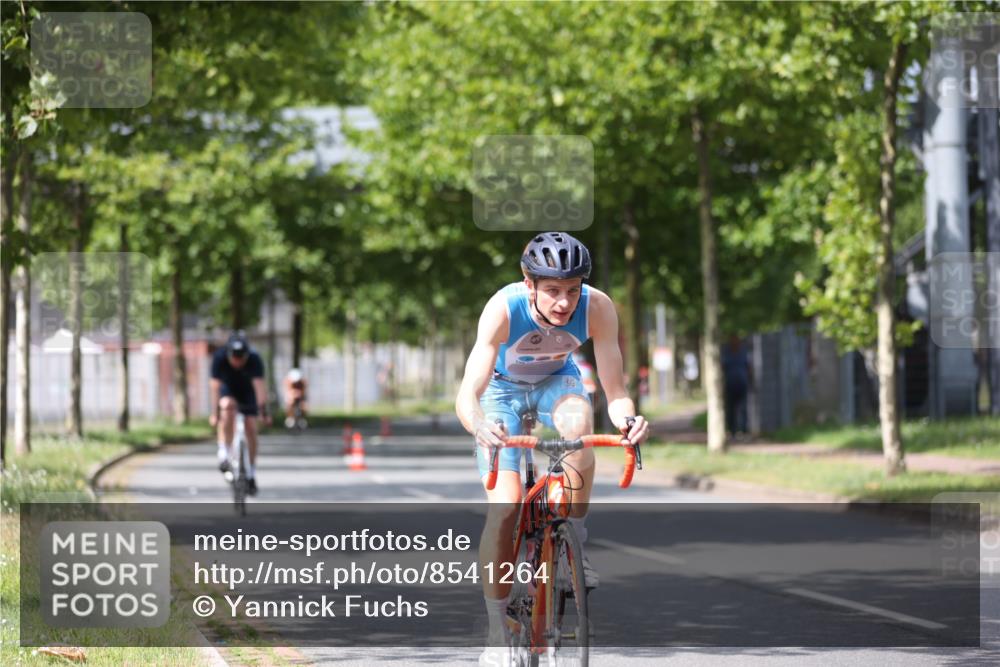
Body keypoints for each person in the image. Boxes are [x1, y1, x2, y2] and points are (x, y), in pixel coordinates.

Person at [455, 231, 649, 663]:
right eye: (553, 291)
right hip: (500, 394)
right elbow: (468, 393)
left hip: (557, 381)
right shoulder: (503, 309)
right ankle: (496, 633)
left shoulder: (598, 308)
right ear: (530, 285)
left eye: (572, 290)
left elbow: (616, 391)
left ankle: (573, 537)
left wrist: (629, 421)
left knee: (580, 430)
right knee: (505, 506)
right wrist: (480, 425)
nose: (564, 302)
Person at [209, 331, 270, 495]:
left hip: (247, 392)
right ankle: (224, 452)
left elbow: (259, 387)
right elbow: (214, 388)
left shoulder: (254, 359)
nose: (237, 361)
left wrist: (264, 412)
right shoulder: (219, 358)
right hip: (228, 389)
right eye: (234, 357)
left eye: (241, 357)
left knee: (251, 427)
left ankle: (251, 473)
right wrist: (214, 413)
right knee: (226, 407)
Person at [721, 334, 752, 439]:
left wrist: (751, 380)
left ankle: (743, 430)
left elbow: (748, 367)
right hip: (730, 384)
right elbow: (722, 367)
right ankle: (732, 430)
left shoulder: (744, 351)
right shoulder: (726, 352)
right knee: (731, 409)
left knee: (743, 409)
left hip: (742, 384)